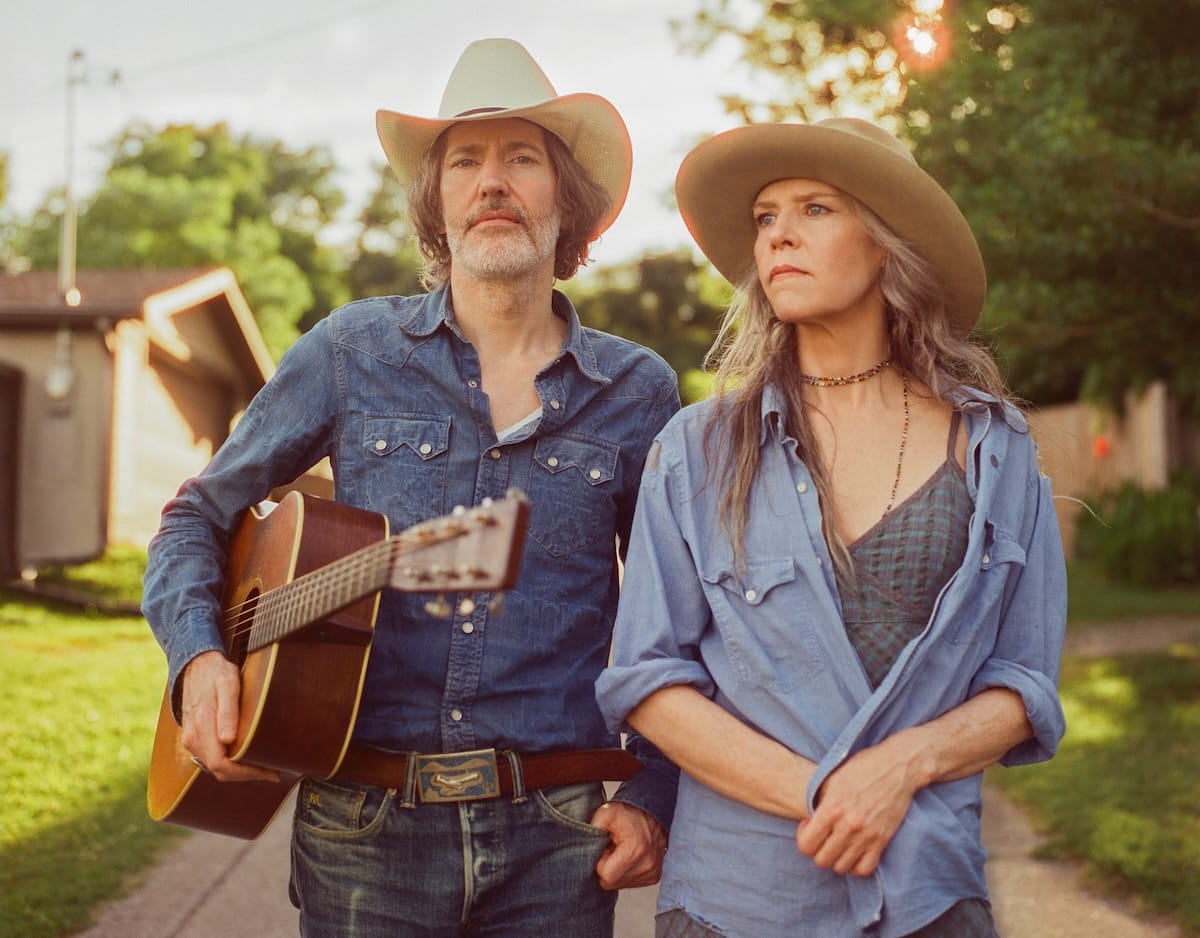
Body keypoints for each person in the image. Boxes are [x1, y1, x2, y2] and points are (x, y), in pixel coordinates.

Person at [143, 38, 680, 936]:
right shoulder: (353, 351)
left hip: (559, 836)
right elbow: (199, 514)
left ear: (567, 199)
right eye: (464, 161)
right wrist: (199, 659)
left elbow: (675, 611)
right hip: (361, 832)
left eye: (521, 158)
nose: (491, 182)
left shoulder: (637, 392)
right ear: (436, 200)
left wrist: (655, 789)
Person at [595, 118, 1068, 937]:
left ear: (887, 244)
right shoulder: (698, 448)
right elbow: (649, 681)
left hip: (929, 893)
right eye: (766, 217)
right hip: (736, 901)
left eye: (814, 210)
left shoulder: (993, 446)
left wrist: (901, 769)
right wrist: (827, 795)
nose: (779, 235)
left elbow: (1023, 683)